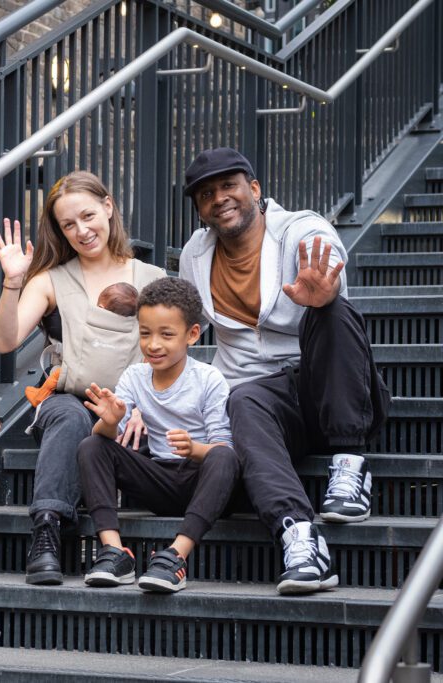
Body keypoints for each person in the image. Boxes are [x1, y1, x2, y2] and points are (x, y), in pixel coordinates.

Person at [178, 147, 390, 595]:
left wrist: (324, 298)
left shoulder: (303, 231)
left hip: (326, 389)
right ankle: (300, 536)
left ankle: (349, 463)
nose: (219, 198)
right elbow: (176, 320)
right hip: (263, 406)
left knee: (333, 312)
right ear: (200, 209)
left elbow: (335, 305)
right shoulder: (195, 256)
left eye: (228, 186)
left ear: (254, 189)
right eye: (206, 194)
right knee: (244, 397)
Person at [0, 171, 165, 585]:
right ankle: (46, 532)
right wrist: (14, 283)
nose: (82, 230)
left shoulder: (153, 278)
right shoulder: (51, 279)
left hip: (132, 404)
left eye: (88, 216)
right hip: (69, 400)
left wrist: (143, 406)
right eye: (69, 224)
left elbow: (169, 356)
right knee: (71, 419)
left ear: (108, 207)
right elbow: (5, 340)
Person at [77, 277, 239, 593]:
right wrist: (110, 422)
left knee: (224, 457)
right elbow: (108, 438)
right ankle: (114, 552)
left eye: (166, 335)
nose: (153, 345)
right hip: (159, 479)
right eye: (145, 334)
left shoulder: (209, 379)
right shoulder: (135, 376)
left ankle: (176, 556)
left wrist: (195, 450)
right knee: (92, 444)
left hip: (203, 481)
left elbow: (224, 447)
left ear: (192, 334)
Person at [24, 282, 139, 407]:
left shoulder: (90, 325)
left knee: (58, 373)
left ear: (101, 307)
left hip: (82, 377)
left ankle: (39, 396)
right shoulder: (132, 332)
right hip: (114, 384)